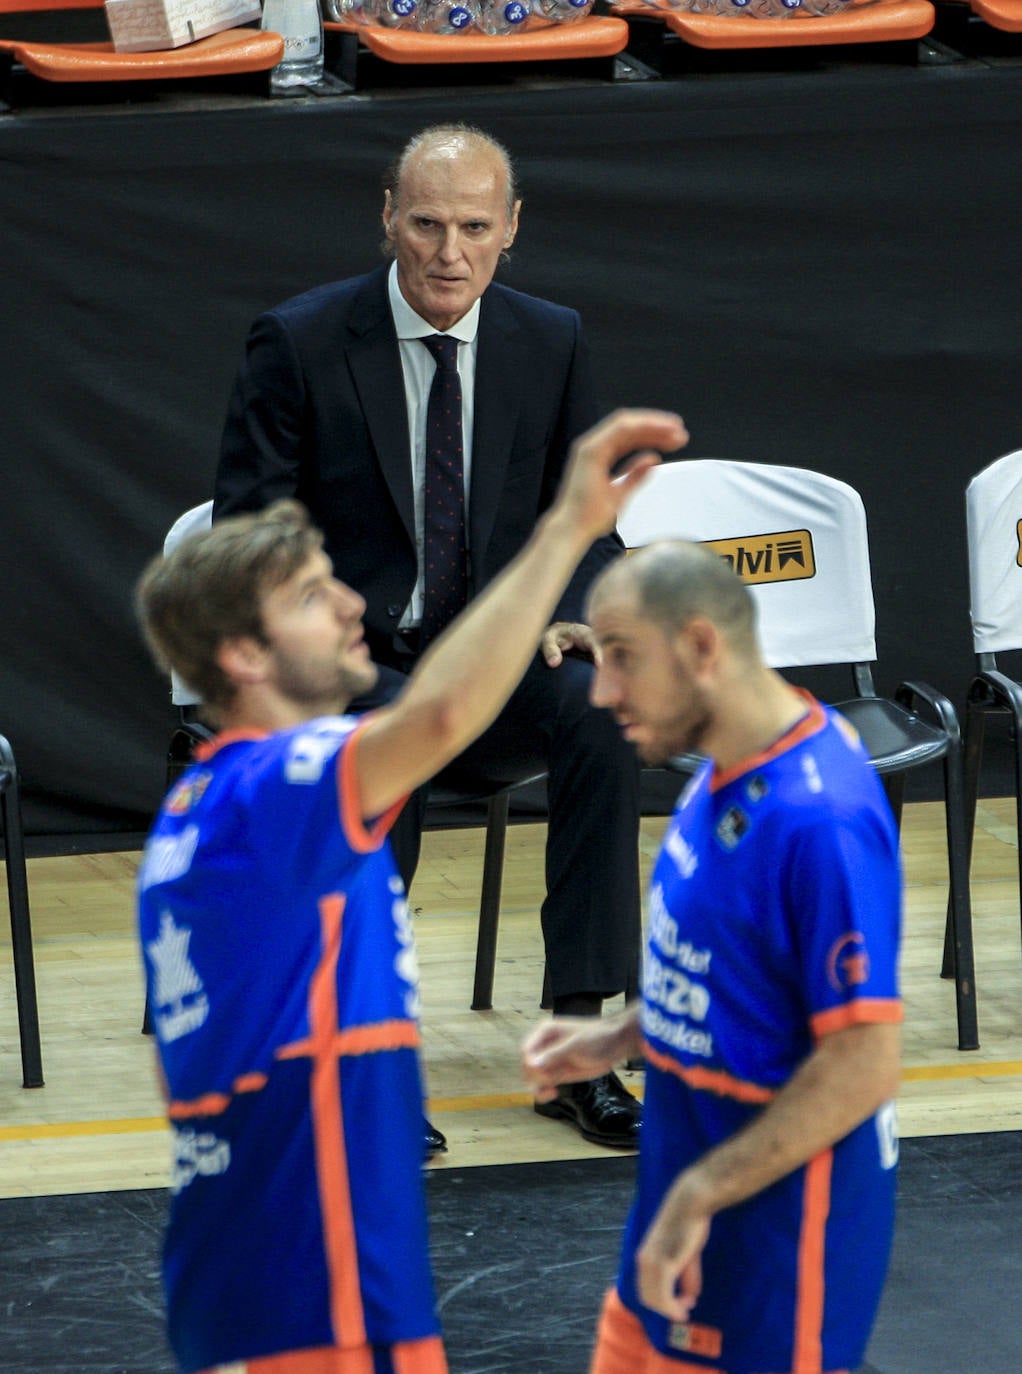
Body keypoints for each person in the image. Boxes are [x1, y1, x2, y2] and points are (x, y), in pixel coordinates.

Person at [136, 410, 687, 1374]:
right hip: (311, 1260)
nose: (353, 606)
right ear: (245, 657)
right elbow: (439, 712)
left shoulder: (200, 808)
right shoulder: (284, 787)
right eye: (313, 598)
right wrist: (565, 527)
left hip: (261, 1242)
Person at [215, 121, 646, 1153]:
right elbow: (248, 533)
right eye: (425, 225)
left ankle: (577, 1048)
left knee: (601, 713)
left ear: (510, 232)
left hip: (496, 661)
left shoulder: (549, 339)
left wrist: (575, 606)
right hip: (363, 666)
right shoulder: (302, 340)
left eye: (471, 227)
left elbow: (582, 520)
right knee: (378, 734)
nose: (448, 253)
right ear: (386, 223)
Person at [522, 540, 903, 1374]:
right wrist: (621, 1034)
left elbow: (864, 1063)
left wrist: (701, 1192)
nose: (602, 688)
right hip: (674, 1224)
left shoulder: (820, 820)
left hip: (768, 1252)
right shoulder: (723, 767)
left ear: (701, 648)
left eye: (622, 659)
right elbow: (731, 973)